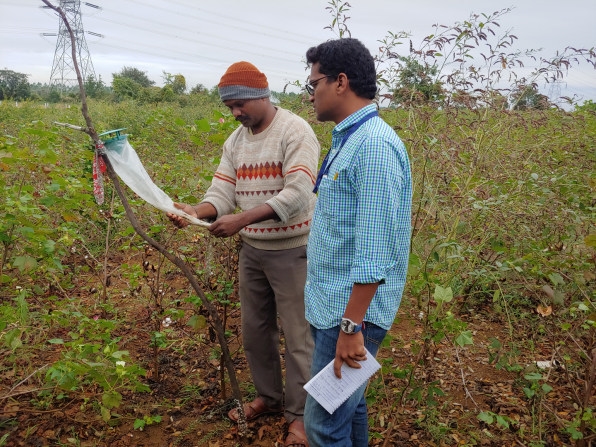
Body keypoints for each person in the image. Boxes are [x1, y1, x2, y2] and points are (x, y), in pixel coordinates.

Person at [168, 61, 320, 447]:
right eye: (229, 107)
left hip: (294, 250)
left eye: (239, 105)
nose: (235, 113)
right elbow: (221, 192)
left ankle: (301, 417)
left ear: (261, 96)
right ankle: (269, 397)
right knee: (255, 331)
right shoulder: (236, 141)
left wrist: (243, 218)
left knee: (299, 337)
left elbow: (299, 192)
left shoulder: (295, 131)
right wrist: (195, 212)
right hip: (253, 251)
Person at [302, 38, 412, 446]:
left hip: (347, 316)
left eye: (313, 84)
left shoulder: (374, 147)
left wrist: (352, 326)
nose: (311, 94)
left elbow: (372, 250)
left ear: (341, 82)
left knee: (323, 425)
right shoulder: (350, 138)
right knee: (349, 409)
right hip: (335, 305)